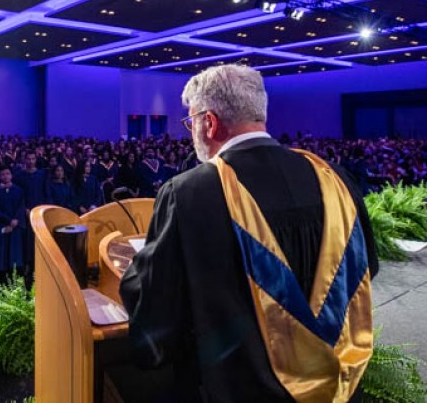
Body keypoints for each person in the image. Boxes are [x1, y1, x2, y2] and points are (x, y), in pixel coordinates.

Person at [119, 64, 378, 402]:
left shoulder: (189, 193)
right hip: (338, 385)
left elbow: (158, 307)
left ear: (208, 123)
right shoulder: (335, 179)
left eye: (190, 122)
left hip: (236, 387)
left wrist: (131, 275)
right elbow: (366, 270)